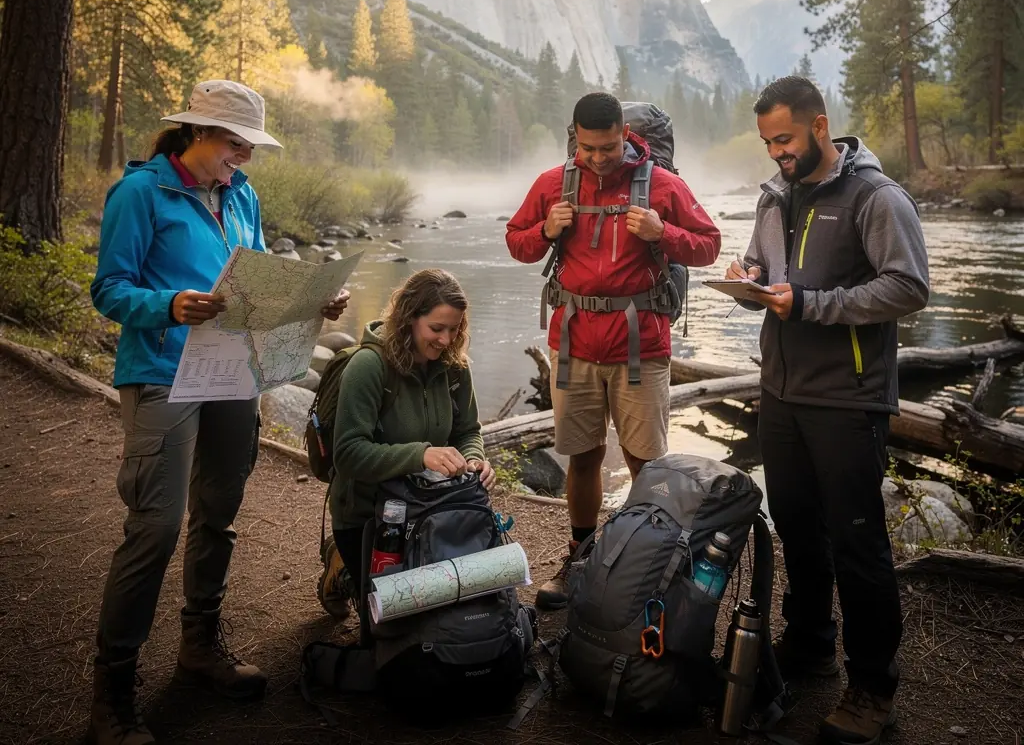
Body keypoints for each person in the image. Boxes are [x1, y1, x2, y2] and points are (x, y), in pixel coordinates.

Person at [89, 80, 350, 745]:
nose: (247, 157)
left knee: (220, 513)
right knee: (155, 526)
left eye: (251, 146)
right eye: (238, 143)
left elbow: (252, 282)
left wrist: (313, 303)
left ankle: (199, 645)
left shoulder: (243, 196)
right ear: (197, 134)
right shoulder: (140, 192)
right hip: (160, 374)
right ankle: (111, 693)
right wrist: (170, 305)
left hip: (233, 371)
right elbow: (110, 289)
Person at [725, 75, 928, 745]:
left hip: (848, 398)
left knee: (858, 544)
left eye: (783, 139)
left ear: (819, 128)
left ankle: (871, 690)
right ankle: (810, 642)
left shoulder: (875, 196)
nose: (775, 153)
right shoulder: (773, 196)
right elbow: (763, 267)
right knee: (796, 527)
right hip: (782, 392)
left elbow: (907, 287)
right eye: (767, 143)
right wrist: (746, 282)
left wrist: (812, 305)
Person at [505, 91, 721, 610]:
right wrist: (545, 229)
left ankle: (644, 565)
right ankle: (580, 555)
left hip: (640, 345)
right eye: (588, 148)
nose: (599, 158)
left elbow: (709, 245)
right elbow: (517, 242)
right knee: (582, 455)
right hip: (575, 343)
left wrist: (661, 231)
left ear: (625, 135)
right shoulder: (553, 184)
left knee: (647, 463)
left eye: (608, 147)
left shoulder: (662, 185)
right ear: (575, 136)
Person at [321, 268, 494, 613]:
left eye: (455, 328)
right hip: (367, 514)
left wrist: (474, 458)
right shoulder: (369, 367)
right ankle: (342, 571)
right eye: (436, 328)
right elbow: (348, 454)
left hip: (431, 506)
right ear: (408, 319)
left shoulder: (454, 366)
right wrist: (421, 456)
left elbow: (468, 431)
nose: (446, 340)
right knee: (389, 616)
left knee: (442, 608)